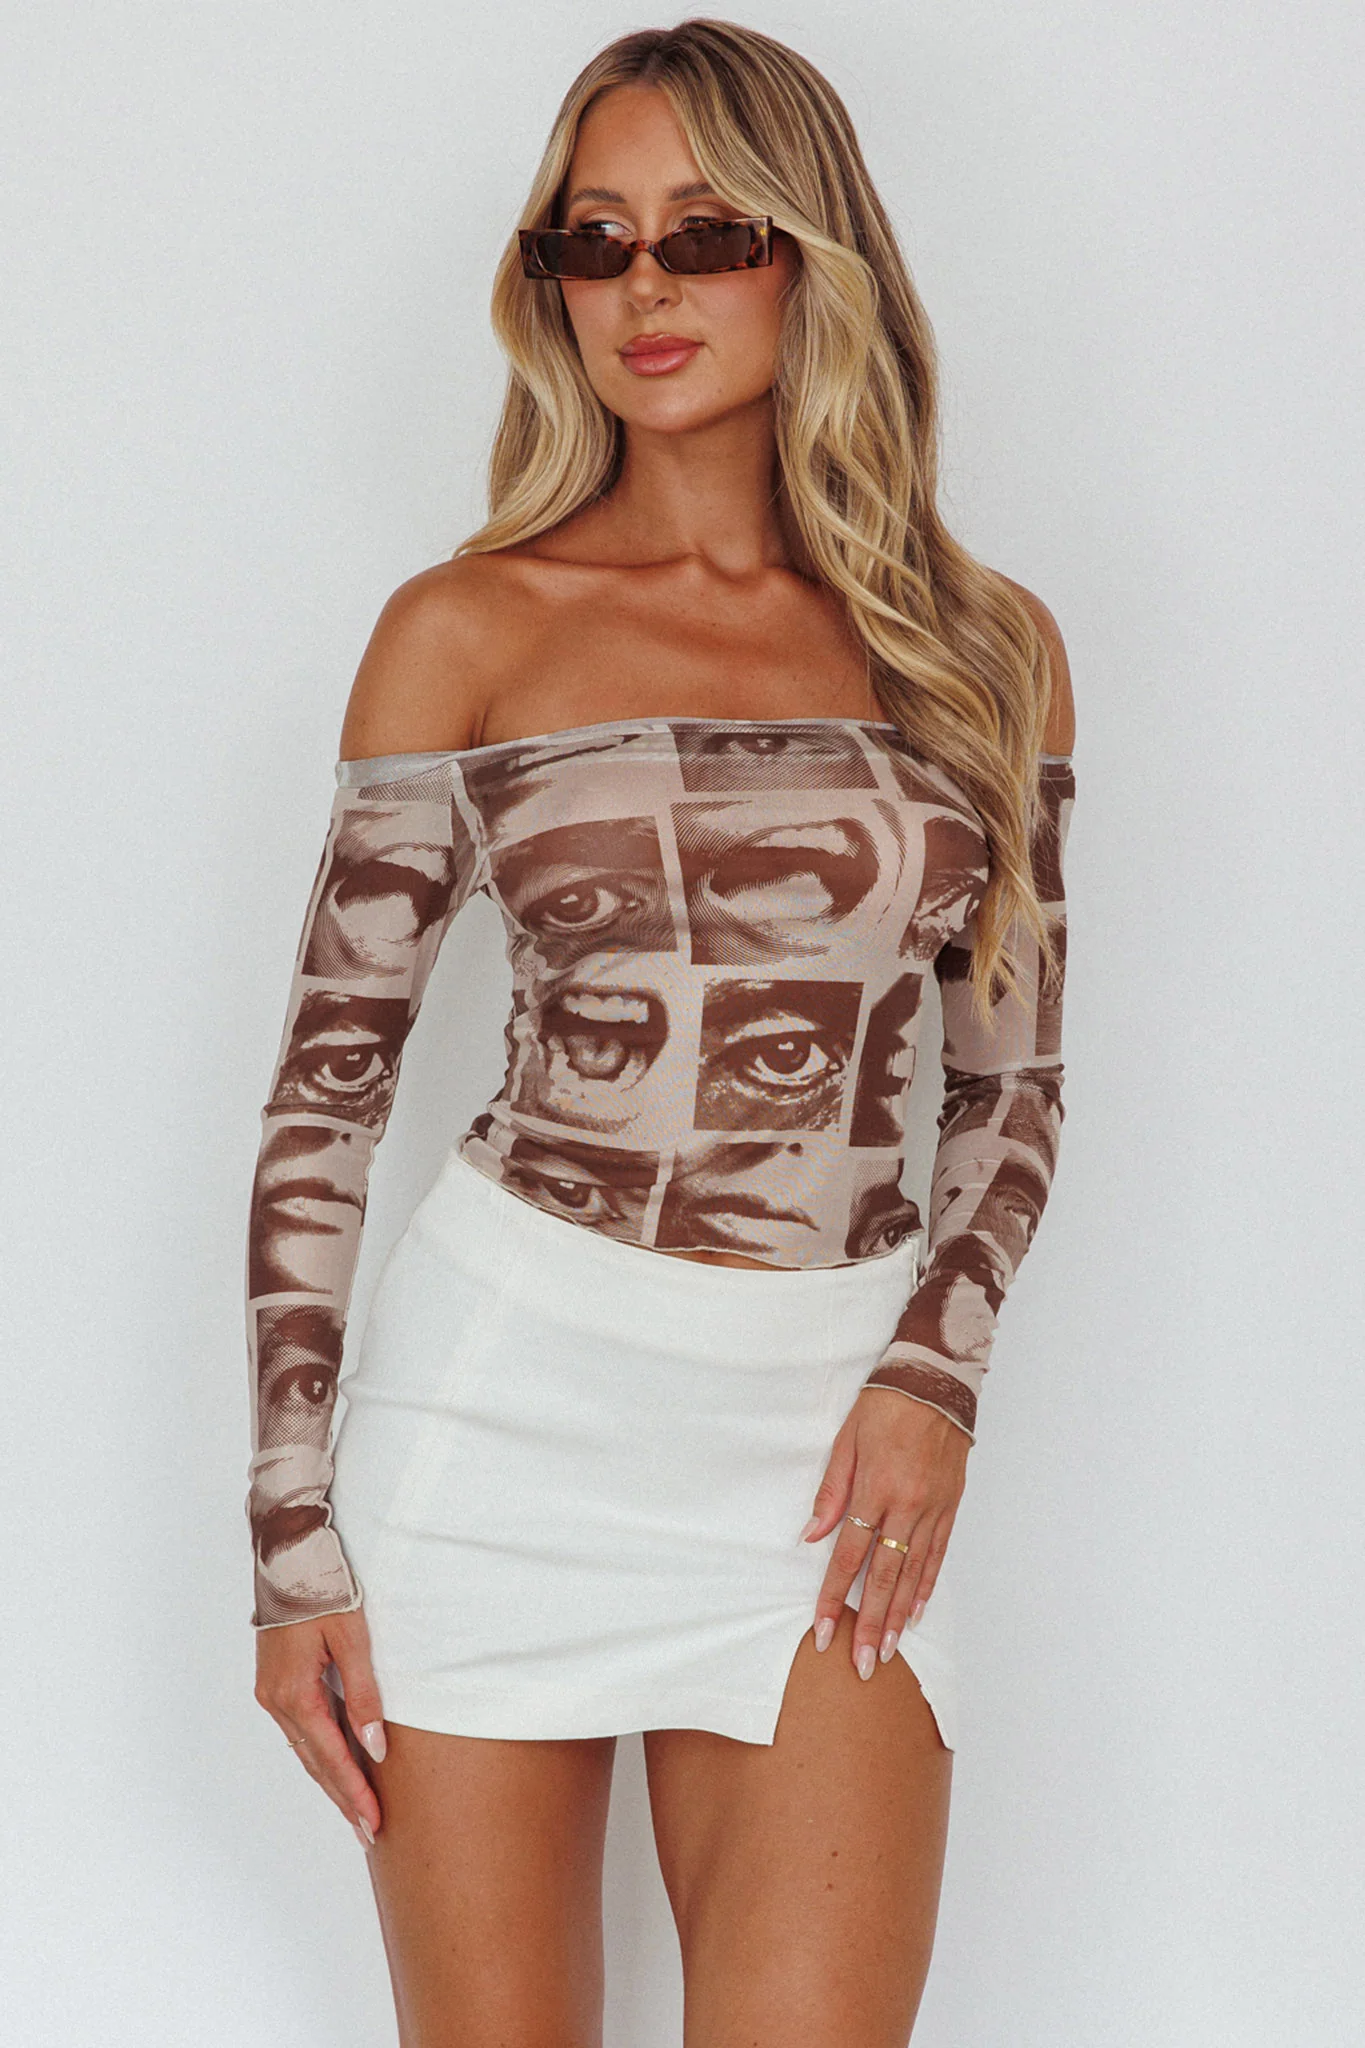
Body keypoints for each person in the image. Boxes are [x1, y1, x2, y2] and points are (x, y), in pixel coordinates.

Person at [245, 19, 1077, 2044]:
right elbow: (325, 1106)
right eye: (591, 239)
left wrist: (934, 1381)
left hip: (823, 1457)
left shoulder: (980, 649)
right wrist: (291, 1542)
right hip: (497, 1419)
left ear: (812, 255)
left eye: (707, 234)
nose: (643, 288)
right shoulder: (468, 630)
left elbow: (1013, 1080)